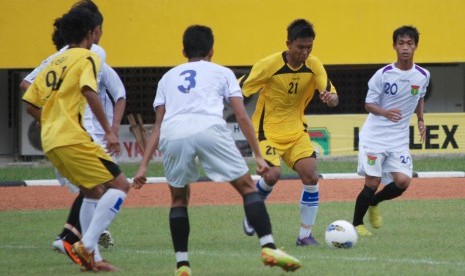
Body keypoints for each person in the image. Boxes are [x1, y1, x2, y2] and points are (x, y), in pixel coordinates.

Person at [133, 25, 302, 275]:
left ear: (183, 51)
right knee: (246, 188)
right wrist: (257, 154)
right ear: (212, 50)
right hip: (209, 128)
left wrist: (143, 165)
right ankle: (268, 246)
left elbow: (157, 125)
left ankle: (182, 265)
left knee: (179, 199)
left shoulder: (167, 77)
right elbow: (242, 116)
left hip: (174, 132)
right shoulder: (222, 72)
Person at [22, 7, 130, 272]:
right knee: (120, 185)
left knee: (92, 191)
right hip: (73, 137)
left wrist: (51, 122)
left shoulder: (56, 61)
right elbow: (89, 91)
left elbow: (29, 101)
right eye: (99, 30)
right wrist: (110, 131)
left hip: (50, 140)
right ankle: (87, 244)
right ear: (93, 32)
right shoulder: (89, 57)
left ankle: (89, 258)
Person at [239, 19, 338, 246]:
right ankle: (252, 212)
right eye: (300, 47)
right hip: (266, 132)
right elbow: (238, 90)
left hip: (296, 132)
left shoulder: (314, 65)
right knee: (272, 175)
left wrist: (330, 98)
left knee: (311, 175)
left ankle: (305, 236)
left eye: (309, 47)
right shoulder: (269, 65)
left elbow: (333, 97)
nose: (305, 52)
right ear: (288, 44)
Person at [352, 25, 429, 236]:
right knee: (372, 182)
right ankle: (357, 224)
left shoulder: (423, 75)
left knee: (403, 181)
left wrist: (420, 119)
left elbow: (419, 96)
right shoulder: (383, 74)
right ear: (394, 46)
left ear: (415, 47)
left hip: (398, 138)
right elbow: (368, 104)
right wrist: (385, 112)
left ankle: (374, 203)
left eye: (410, 44)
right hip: (375, 136)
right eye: (401, 43)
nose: (405, 48)